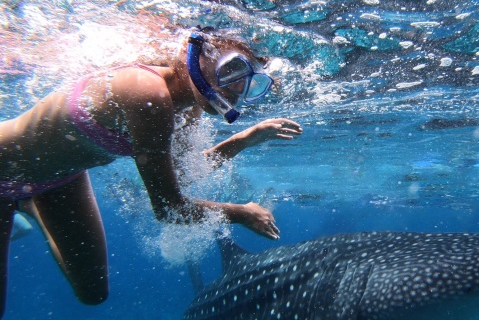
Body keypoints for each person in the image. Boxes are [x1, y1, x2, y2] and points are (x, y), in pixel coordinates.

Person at [0, 28, 302, 317]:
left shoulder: (187, 106)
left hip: (61, 176)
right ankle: (21, 200)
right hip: (5, 169)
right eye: (231, 70)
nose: (235, 90)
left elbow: (183, 174)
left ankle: (28, 202)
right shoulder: (147, 92)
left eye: (250, 84)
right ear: (198, 52)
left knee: (92, 293)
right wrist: (241, 213)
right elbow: (168, 209)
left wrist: (244, 140)